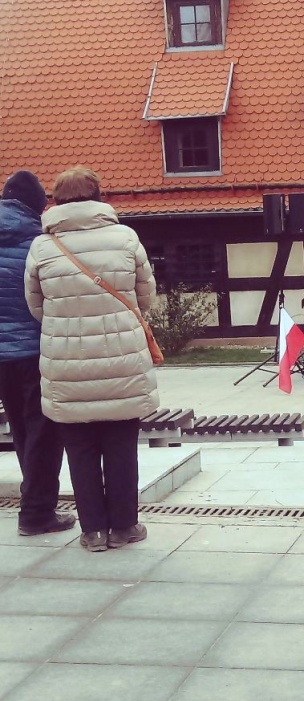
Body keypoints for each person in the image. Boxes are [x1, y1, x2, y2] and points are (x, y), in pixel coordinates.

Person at [25, 166, 159, 552]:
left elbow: (36, 306)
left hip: (66, 362)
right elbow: (145, 296)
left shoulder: (43, 246)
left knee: (79, 449)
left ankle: (93, 532)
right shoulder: (125, 237)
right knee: (121, 446)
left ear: (56, 201)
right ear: (98, 196)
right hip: (122, 359)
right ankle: (125, 527)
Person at [0, 171, 75, 537]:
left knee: (20, 429)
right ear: (37, 206)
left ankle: (35, 504)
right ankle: (36, 514)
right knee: (43, 432)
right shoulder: (38, 242)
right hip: (34, 350)